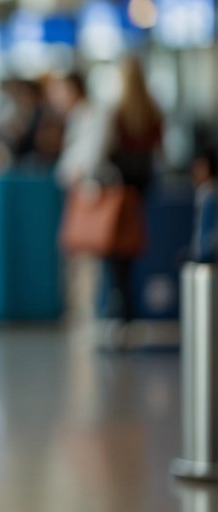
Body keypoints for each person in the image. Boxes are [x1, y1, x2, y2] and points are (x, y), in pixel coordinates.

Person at [103, 55, 163, 326]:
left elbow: (107, 151)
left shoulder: (117, 112)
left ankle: (120, 304)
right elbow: (161, 152)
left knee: (117, 248)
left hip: (120, 188)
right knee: (137, 243)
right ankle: (132, 305)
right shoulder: (154, 111)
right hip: (145, 185)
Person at [190, 146, 216, 264]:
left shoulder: (210, 196)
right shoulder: (202, 193)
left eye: (199, 167)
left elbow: (209, 232)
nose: (195, 171)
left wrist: (203, 253)